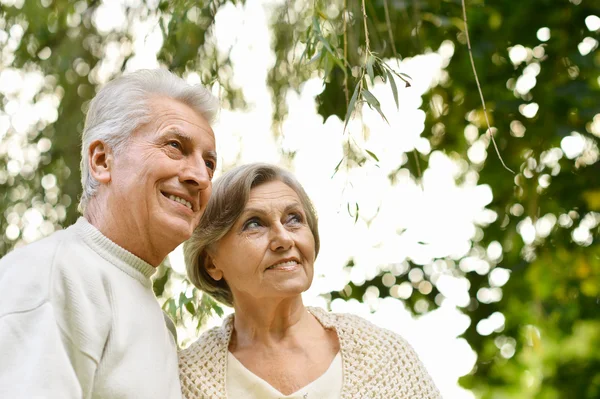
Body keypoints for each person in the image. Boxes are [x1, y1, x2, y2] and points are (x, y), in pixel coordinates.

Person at [0, 68, 219, 398]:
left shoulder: (161, 326)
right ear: (102, 161)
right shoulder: (55, 276)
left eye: (210, 164)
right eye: (175, 146)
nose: (200, 177)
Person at [178, 163, 441, 399]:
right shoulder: (187, 380)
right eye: (254, 224)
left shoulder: (384, 357)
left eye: (294, 219)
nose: (284, 239)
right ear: (212, 263)